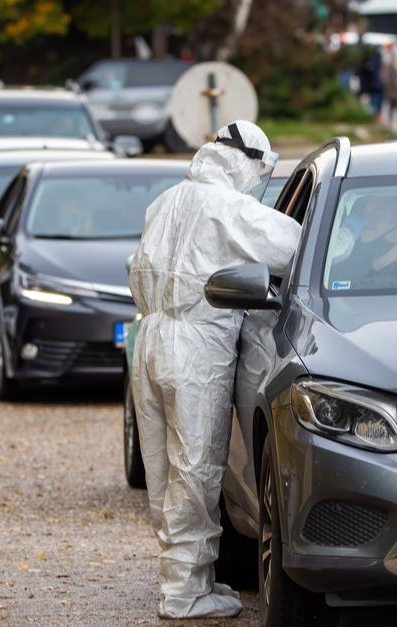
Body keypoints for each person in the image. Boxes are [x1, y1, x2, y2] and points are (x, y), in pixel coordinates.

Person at [128, 120, 301, 619]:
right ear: (245, 162)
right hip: (198, 341)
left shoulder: (163, 203)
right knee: (196, 465)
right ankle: (186, 593)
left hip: (151, 337)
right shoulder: (231, 208)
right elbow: (295, 250)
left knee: (162, 466)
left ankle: (178, 581)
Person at [359, 44, 385, 123]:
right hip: (377, 85)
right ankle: (375, 117)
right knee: (376, 102)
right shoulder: (376, 59)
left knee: (376, 102)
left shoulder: (375, 58)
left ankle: (375, 117)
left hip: (376, 85)